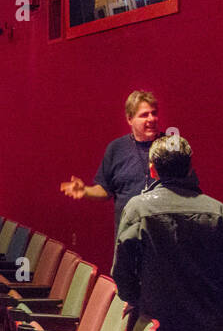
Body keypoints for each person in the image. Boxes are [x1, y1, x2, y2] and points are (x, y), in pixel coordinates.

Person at [111, 135, 223, 331]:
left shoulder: (138, 208)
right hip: (208, 327)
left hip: (157, 323)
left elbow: (123, 269)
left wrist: (134, 300)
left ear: (152, 169)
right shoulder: (221, 212)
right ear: (189, 168)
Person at [61, 90, 162, 230]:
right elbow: (105, 188)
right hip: (127, 238)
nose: (151, 119)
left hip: (163, 236)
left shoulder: (170, 146)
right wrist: (85, 191)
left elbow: (186, 188)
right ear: (129, 119)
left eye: (154, 113)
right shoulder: (117, 148)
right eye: (144, 115)